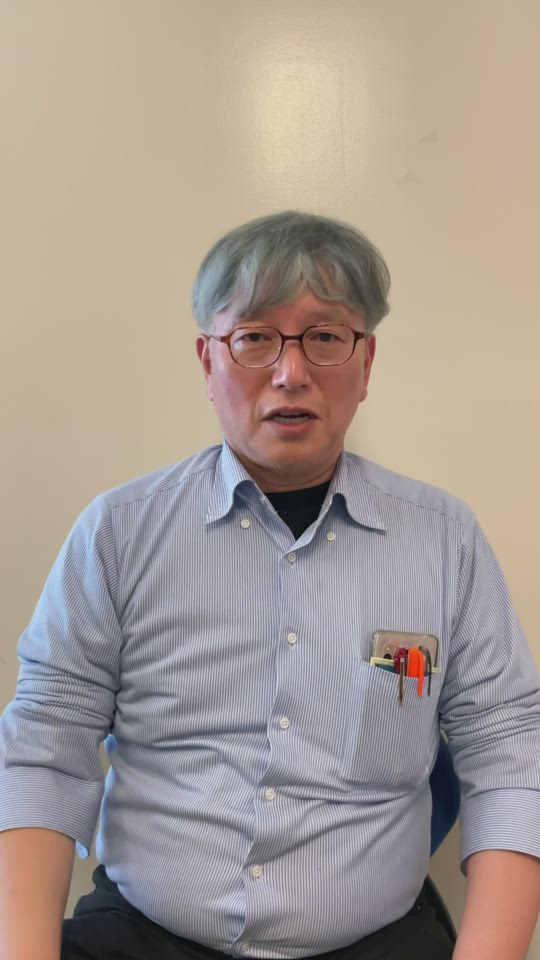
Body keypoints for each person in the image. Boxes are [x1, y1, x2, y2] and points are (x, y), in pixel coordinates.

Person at [1, 211, 539, 960]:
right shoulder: (119, 533)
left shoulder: (445, 540)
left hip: (375, 937)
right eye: (255, 338)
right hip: (144, 932)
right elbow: (45, 746)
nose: (290, 373)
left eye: (325, 337)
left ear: (366, 362)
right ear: (207, 360)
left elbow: (509, 752)